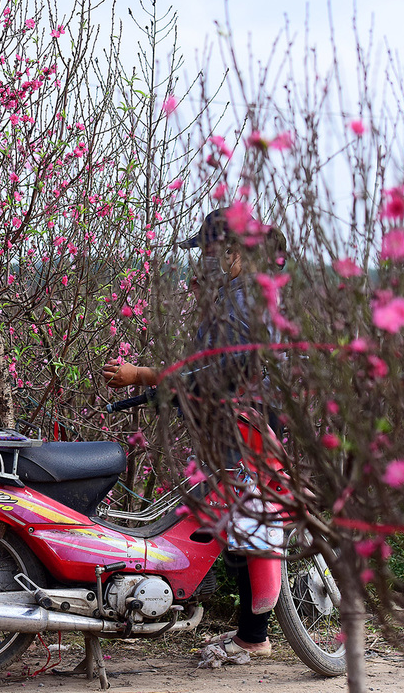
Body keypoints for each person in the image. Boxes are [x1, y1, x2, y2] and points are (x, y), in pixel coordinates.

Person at [102, 208, 287, 664]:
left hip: (246, 425)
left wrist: (144, 375)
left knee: (248, 526)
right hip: (233, 421)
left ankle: (253, 637)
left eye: (208, 251)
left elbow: (230, 367)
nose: (204, 262)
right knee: (234, 525)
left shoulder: (243, 298)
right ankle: (250, 633)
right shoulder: (237, 296)